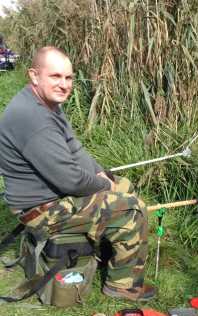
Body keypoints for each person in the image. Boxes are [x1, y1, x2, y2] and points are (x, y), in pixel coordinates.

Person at [0, 46, 155, 301]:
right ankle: (123, 286)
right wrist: (102, 186)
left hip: (49, 194)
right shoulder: (32, 119)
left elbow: (75, 148)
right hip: (40, 208)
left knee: (123, 185)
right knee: (132, 210)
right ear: (34, 75)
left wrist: (103, 176)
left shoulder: (46, 103)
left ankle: (111, 256)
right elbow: (70, 179)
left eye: (68, 77)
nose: (64, 84)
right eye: (55, 76)